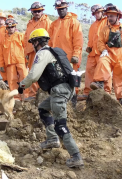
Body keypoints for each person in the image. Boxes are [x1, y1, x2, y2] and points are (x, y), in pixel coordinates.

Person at [18, 28, 84, 168]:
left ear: (37, 41)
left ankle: (76, 156)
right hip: (66, 89)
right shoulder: (54, 52)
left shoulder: (43, 53)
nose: (33, 45)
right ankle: (52, 139)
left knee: (60, 124)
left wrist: (22, 85)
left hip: (59, 91)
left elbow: (34, 75)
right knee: (43, 108)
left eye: (33, 42)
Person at [90, 4, 122, 107]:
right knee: (102, 62)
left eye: (112, 16)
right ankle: (99, 82)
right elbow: (100, 42)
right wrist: (103, 50)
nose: (109, 18)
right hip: (109, 53)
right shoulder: (105, 29)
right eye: (108, 16)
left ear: (118, 16)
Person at [48, 0, 83, 106]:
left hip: (69, 57)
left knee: (72, 79)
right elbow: (49, 41)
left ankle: (73, 102)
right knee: (58, 79)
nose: (60, 11)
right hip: (56, 57)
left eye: (62, 9)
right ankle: (60, 101)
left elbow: (78, 40)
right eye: (58, 9)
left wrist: (76, 54)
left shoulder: (74, 22)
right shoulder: (54, 24)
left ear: (66, 8)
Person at [78, 4, 112, 101]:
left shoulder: (107, 22)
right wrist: (89, 47)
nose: (96, 15)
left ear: (102, 12)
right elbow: (91, 39)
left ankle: (106, 93)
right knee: (89, 71)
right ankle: (87, 93)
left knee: (105, 72)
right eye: (94, 13)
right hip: (93, 52)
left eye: (98, 13)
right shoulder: (93, 25)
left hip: (103, 52)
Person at [24, 2, 52, 100]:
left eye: (39, 11)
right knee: (33, 71)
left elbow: (50, 36)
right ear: (32, 12)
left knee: (45, 71)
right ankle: (33, 94)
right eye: (35, 11)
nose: (37, 13)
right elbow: (26, 38)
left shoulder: (47, 22)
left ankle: (44, 93)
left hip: (43, 51)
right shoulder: (29, 24)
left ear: (42, 11)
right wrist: (26, 52)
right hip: (32, 52)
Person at [0, 18, 29, 100]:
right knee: (12, 81)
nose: (11, 29)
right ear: (6, 28)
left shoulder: (21, 36)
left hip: (21, 61)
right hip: (9, 63)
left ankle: (26, 96)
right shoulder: (3, 39)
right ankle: (16, 98)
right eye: (9, 27)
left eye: (12, 27)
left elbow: (26, 48)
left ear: (15, 27)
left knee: (25, 78)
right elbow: (0, 54)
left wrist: (27, 61)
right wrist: (1, 64)